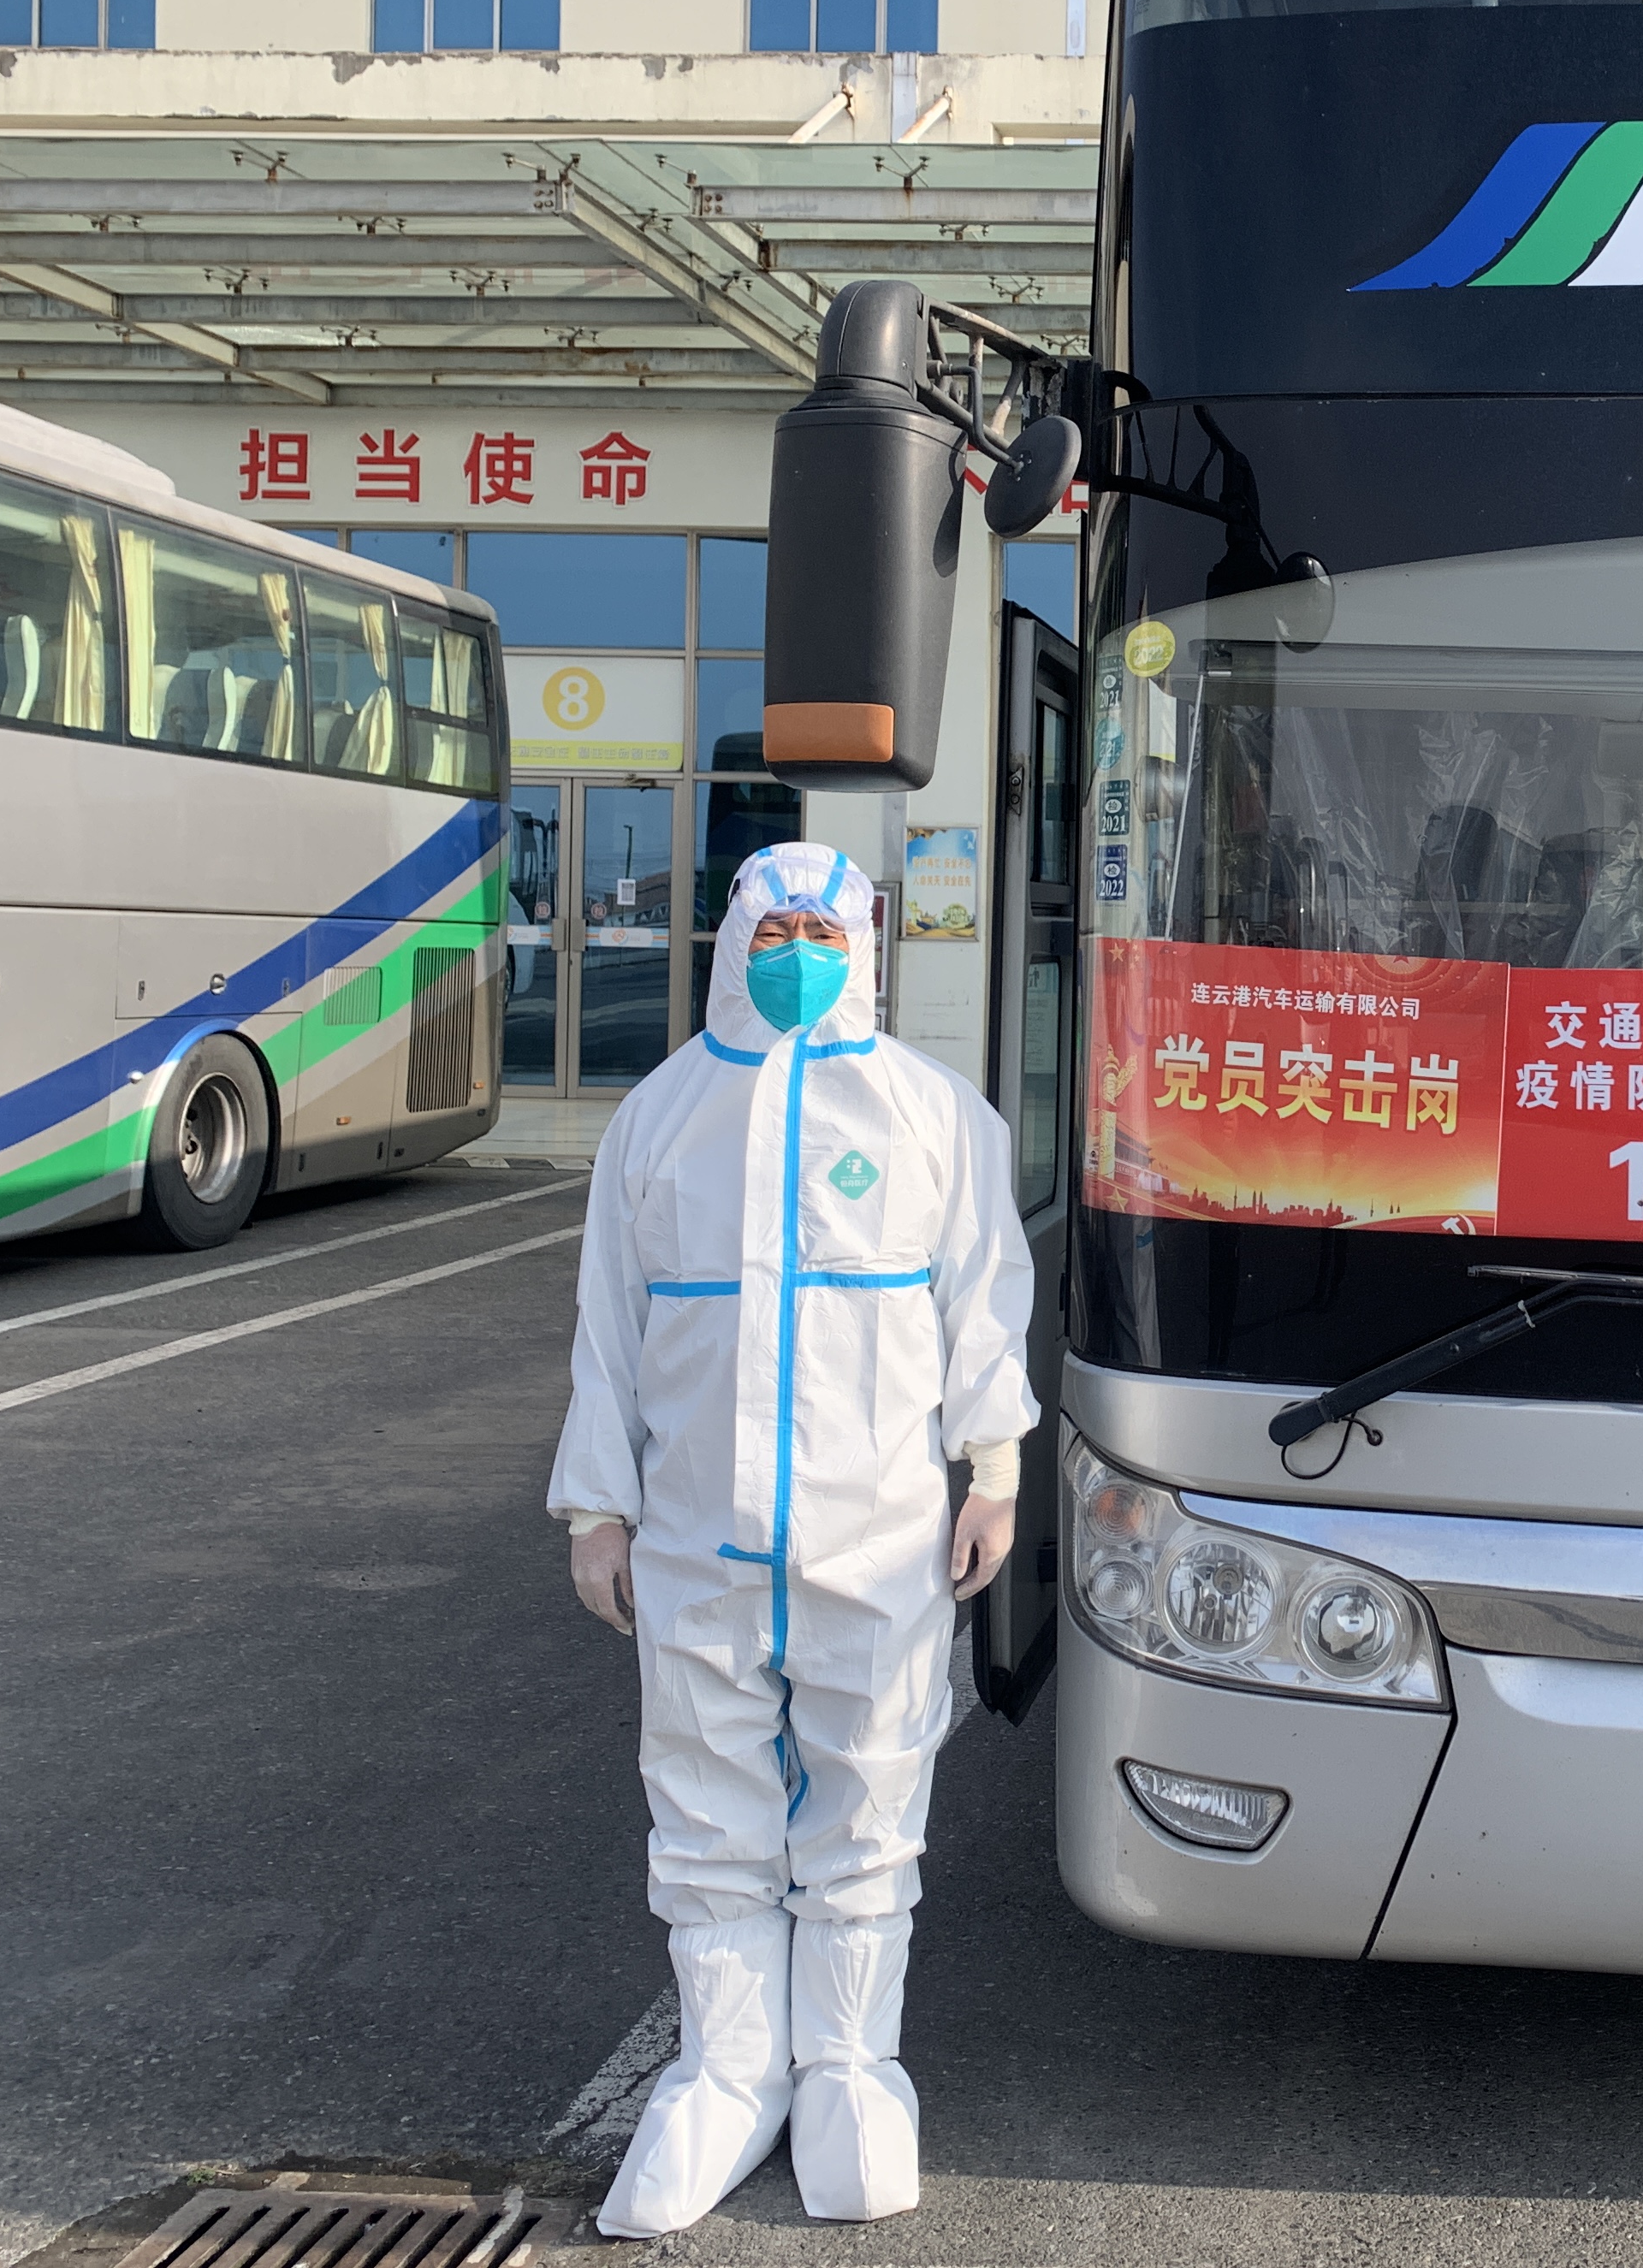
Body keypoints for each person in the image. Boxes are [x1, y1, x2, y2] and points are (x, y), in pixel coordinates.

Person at [549, 840, 1038, 2238]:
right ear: (731, 942)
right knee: (705, 1814)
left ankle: (847, 2071)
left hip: (878, 1538)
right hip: (697, 1539)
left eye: (826, 932)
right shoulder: (661, 1115)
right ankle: (727, 2073)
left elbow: (984, 1300)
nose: (801, 955)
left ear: (868, 945)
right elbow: (610, 1327)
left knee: (869, 1806)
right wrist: (598, 1508)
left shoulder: (933, 1113)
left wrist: (995, 1468)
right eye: (776, 931)